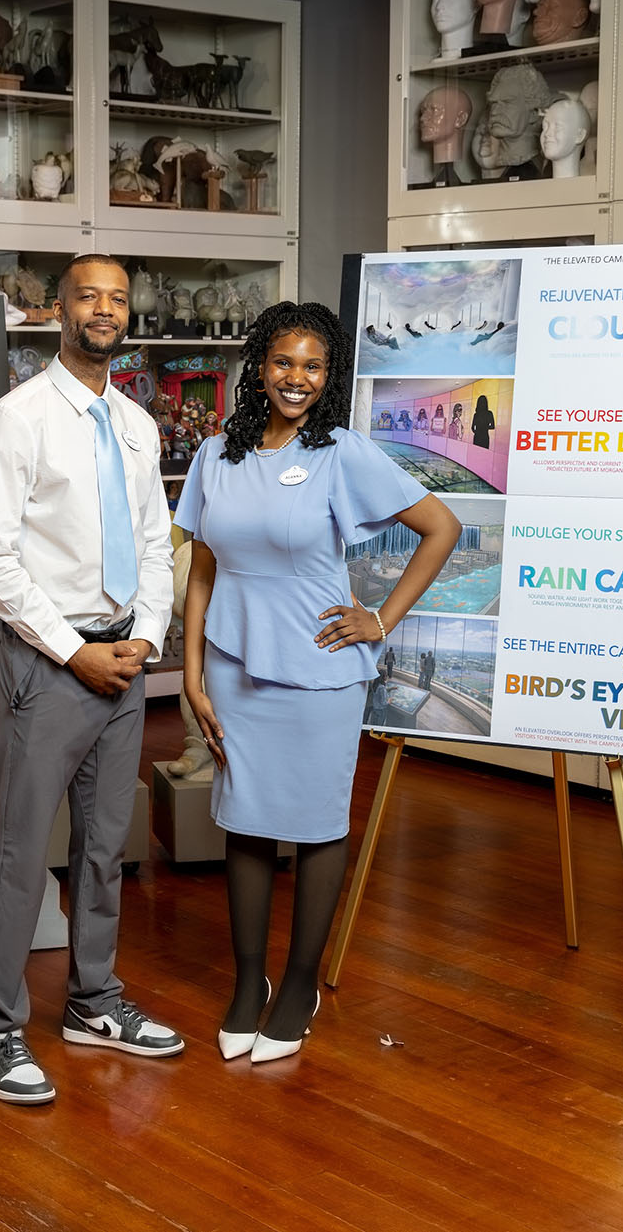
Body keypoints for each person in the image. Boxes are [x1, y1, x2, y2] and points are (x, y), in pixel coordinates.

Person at [176, 301, 457, 1064]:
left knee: (316, 821)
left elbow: (442, 528)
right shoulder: (216, 456)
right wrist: (193, 670)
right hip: (234, 665)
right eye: (283, 362)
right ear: (259, 368)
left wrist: (382, 618)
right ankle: (248, 983)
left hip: (320, 669)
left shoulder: (342, 452)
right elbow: (203, 568)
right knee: (245, 817)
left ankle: (298, 983)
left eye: (313, 366)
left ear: (328, 377)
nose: (296, 378)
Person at [0, 253, 180, 1107]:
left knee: (103, 844)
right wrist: (72, 649)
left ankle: (92, 1000)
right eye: (88, 295)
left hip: (123, 657)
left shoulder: (136, 422)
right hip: (49, 664)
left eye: (119, 298)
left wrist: (148, 636)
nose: (104, 309)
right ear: (58, 309)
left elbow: (155, 544)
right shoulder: (17, 419)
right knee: (19, 850)